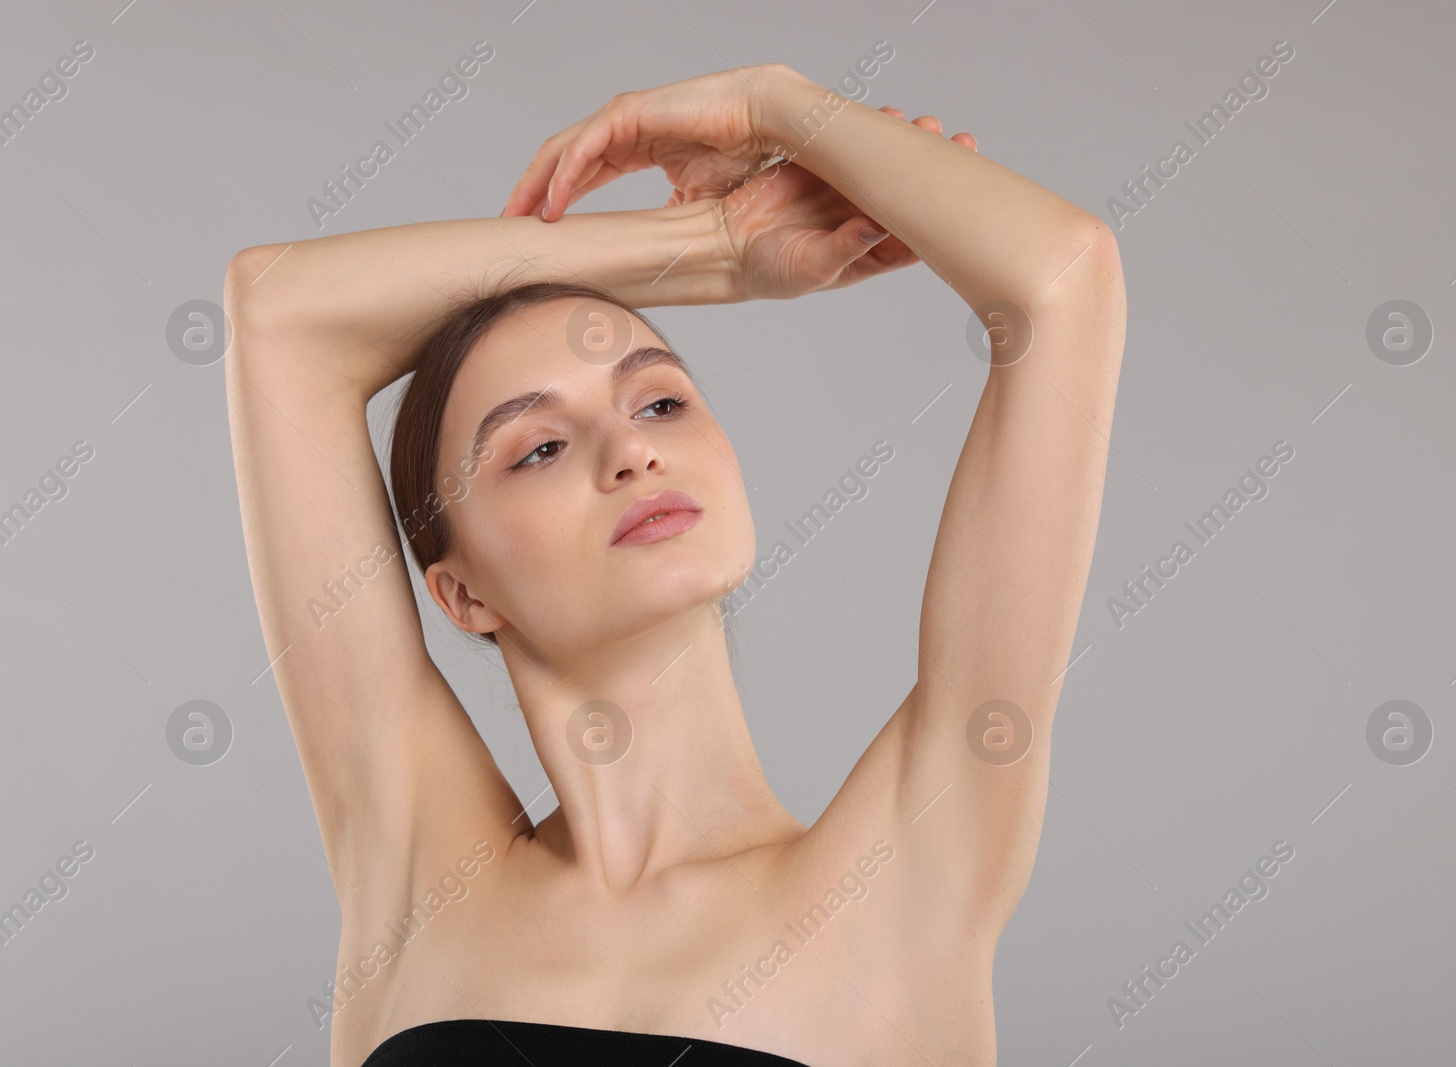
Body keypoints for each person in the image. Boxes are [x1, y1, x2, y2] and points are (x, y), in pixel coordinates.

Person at [223, 62, 1126, 1067]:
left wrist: (772, 102)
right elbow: (278, 315)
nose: (631, 451)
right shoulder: (415, 867)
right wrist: (711, 248)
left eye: (658, 400)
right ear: (461, 590)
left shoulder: (907, 866)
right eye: (538, 448)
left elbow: (1062, 275)